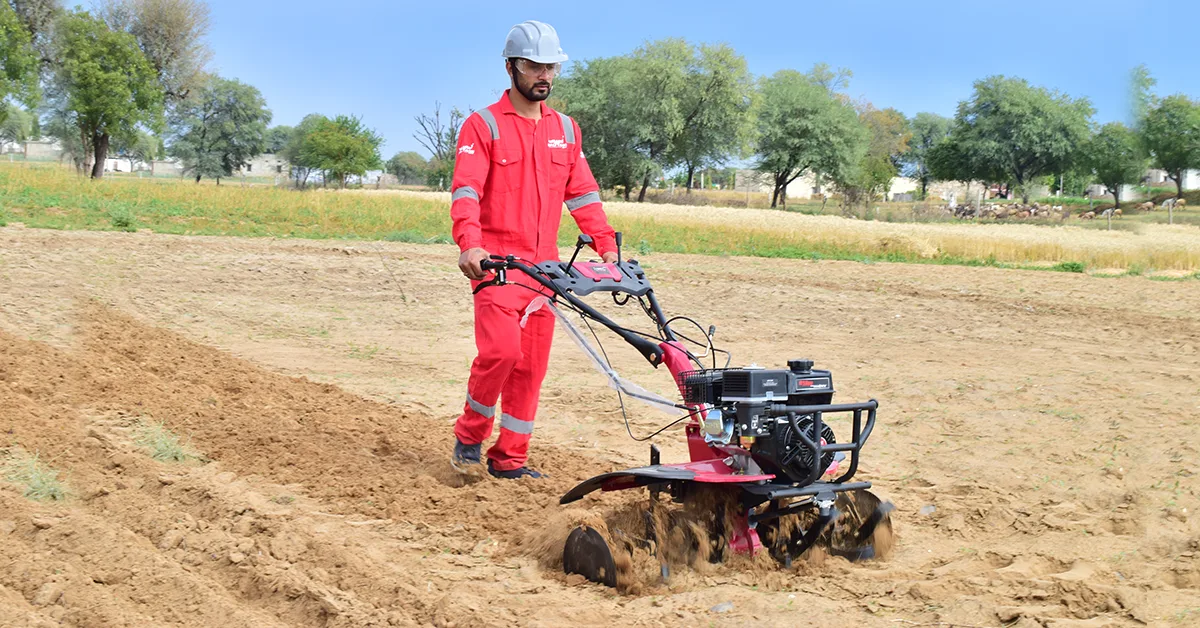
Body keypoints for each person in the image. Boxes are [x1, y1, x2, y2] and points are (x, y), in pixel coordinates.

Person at [448, 20, 618, 479]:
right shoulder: (482, 125)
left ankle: (510, 460)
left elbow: (583, 194)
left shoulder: (565, 129)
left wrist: (608, 249)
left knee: (529, 371)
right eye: (534, 65)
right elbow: (465, 191)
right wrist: (470, 244)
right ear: (511, 67)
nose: (544, 74)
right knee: (500, 354)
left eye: (551, 66)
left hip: (546, 272)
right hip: (498, 265)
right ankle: (470, 435)